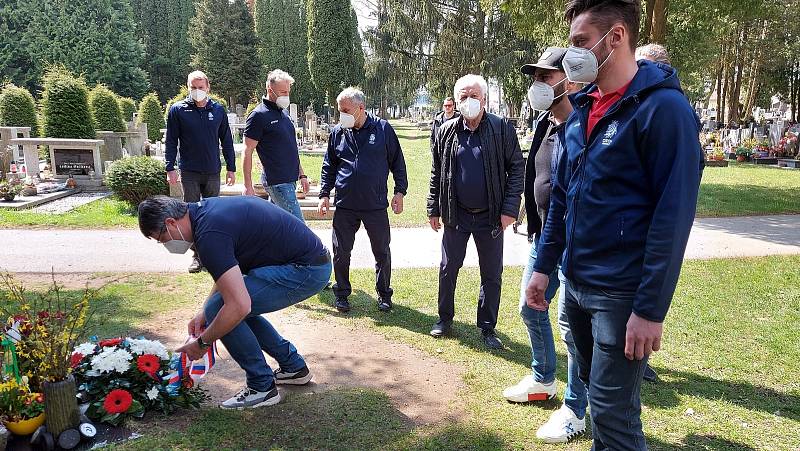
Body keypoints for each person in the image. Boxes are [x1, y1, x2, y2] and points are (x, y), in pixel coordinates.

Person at [526, 1, 704, 449]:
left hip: (622, 295)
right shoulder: (582, 108)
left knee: (611, 413)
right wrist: (545, 268)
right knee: (603, 403)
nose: (573, 57)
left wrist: (649, 310)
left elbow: (672, 219)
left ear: (617, 37)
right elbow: (563, 200)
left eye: (581, 43)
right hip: (577, 286)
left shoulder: (663, 110)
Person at [138, 195, 331, 409]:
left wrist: (202, 343)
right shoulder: (206, 214)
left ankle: (261, 387)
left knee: (227, 308)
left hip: (305, 270)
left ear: (171, 223)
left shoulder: (209, 234)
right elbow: (228, 275)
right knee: (220, 308)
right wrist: (204, 311)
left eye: (162, 239)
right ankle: (293, 368)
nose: (166, 245)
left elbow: (238, 305)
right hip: (308, 264)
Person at [501, 47, 589, 444]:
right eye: (535, 77)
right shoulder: (545, 123)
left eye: (546, 77)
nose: (538, 85)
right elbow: (537, 175)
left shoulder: (584, 124)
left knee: (572, 328)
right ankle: (542, 378)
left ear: (568, 80)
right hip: (544, 239)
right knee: (529, 307)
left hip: (575, 245)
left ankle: (576, 407)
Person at [427, 74, 524, 350]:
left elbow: (517, 168)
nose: (469, 102)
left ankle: (488, 327)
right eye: (463, 97)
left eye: (474, 96)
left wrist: (510, 209)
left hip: (491, 216)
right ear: (456, 102)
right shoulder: (445, 131)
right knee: (448, 268)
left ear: (484, 99)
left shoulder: (501, 128)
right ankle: (444, 319)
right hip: (456, 215)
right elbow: (437, 172)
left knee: (491, 273)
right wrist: (433, 207)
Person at [317, 87, 408, 313]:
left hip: (374, 204)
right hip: (345, 204)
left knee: (381, 251)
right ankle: (342, 294)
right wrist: (324, 194)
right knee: (341, 251)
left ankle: (384, 294)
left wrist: (399, 192)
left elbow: (398, 162)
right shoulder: (338, 132)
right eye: (340, 111)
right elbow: (329, 165)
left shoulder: (383, 129)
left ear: (361, 108)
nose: (342, 115)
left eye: (346, 110)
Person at [165, 70, 236, 273]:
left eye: (200, 87)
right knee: (192, 215)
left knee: (213, 214)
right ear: (188, 88)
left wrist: (231, 168)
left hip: (212, 170)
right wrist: (170, 167)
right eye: (193, 88)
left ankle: (213, 255)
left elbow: (227, 141)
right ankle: (197, 257)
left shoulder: (218, 110)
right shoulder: (178, 110)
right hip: (189, 172)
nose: (197, 91)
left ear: (208, 87)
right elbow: (171, 140)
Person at [243, 69, 310, 222]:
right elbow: (248, 151)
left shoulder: (284, 114)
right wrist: (248, 185)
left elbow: (291, 148)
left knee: (276, 226)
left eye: (287, 92)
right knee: (298, 227)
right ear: (269, 89)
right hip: (277, 181)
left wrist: (302, 175)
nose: (285, 96)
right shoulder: (258, 116)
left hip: (290, 178)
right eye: (282, 92)